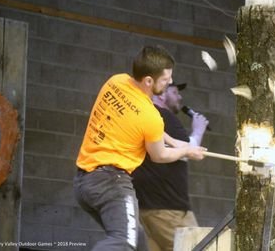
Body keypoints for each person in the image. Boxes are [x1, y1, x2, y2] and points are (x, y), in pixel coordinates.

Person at [73, 45, 206, 251]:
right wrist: (187, 151)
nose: (170, 82)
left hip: (84, 182)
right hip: (111, 183)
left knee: (140, 242)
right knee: (125, 241)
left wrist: (178, 143)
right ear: (148, 81)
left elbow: (142, 126)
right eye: (165, 79)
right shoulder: (150, 115)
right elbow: (159, 155)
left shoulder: (115, 82)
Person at [132, 83, 209, 251]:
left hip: (146, 208)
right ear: (160, 94)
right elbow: (188, 151)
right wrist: (198, 130)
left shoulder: (145, 117)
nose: (180, 97)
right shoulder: (164, 116)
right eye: (174, 92)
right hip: (169, 208)